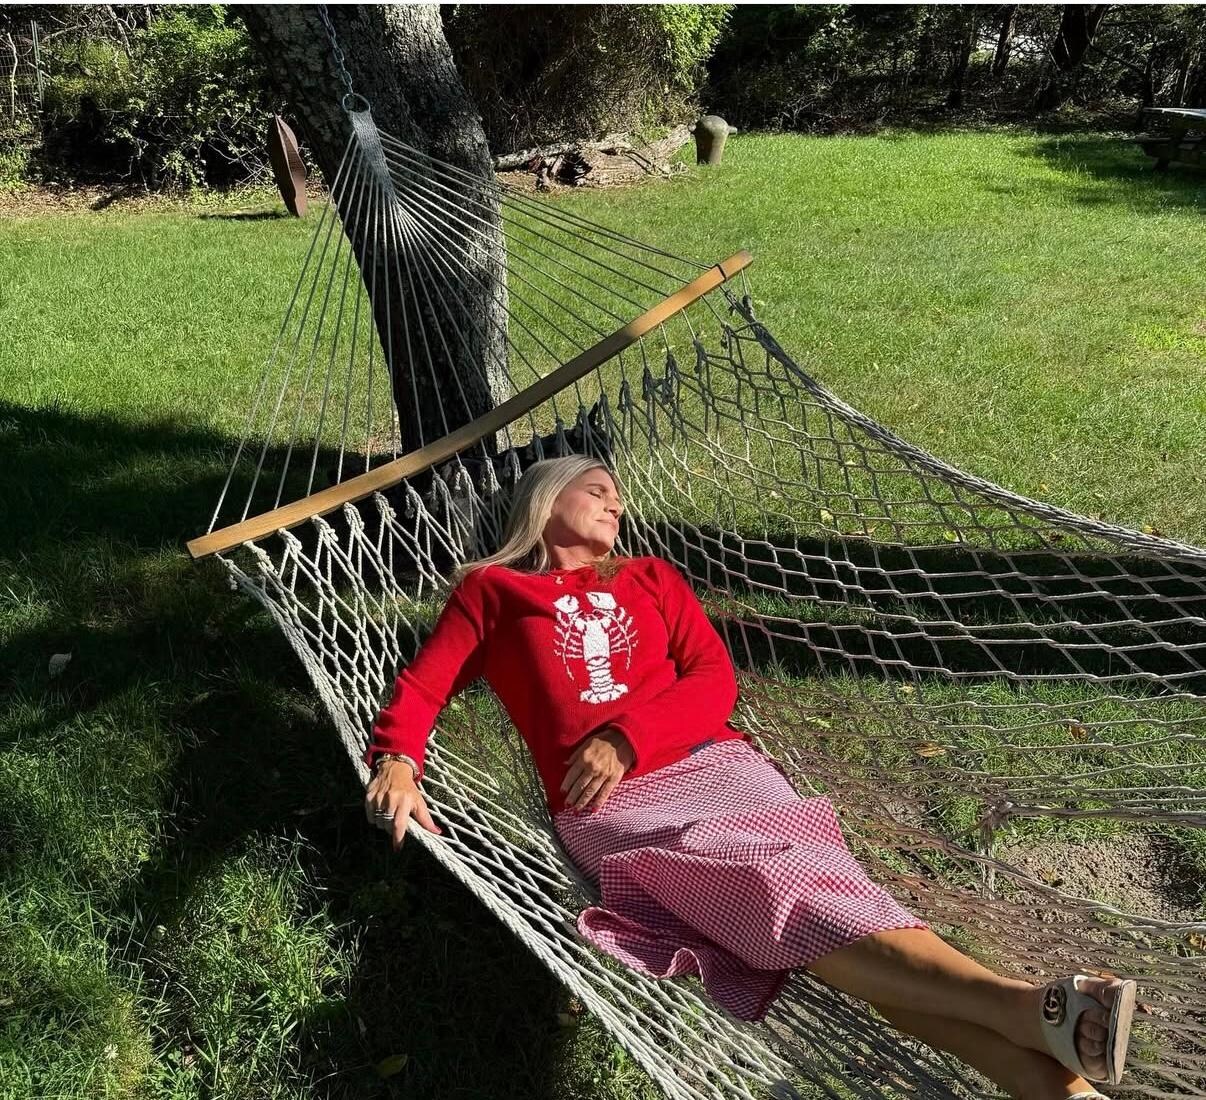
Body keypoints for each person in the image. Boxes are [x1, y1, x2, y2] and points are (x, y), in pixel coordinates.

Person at [364, 454, 1135, 1100]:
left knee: (833, 905)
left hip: (720, 768)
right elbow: (425, 686)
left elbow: (712, 680)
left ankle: (1048, 1077)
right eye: (596, 489)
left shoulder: (650, 579)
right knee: (789, 894)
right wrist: (397, 759)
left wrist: (628, 737)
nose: (615, 503)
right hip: (618, 811)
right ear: (545, 497)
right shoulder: (494, 592)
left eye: (618, 496)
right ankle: (1032, 1011)